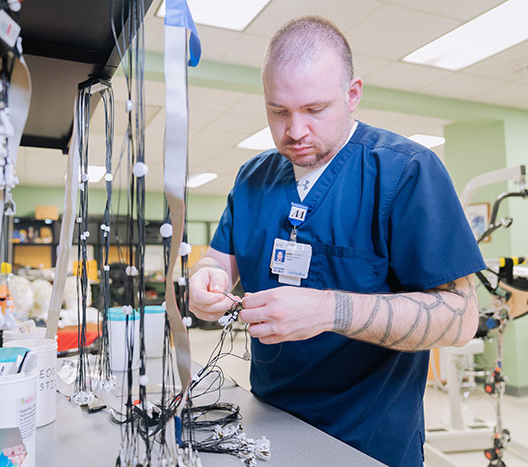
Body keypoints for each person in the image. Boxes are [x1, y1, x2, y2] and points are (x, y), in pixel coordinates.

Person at [188, 15, 485, 467]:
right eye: (278, 111)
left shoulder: (405, 172)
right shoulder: (253, 179)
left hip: (368, 443)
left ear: (352, 95)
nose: (295, 131)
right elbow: (217, 260)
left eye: (314, 109)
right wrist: (205, 279)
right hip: (266, 426)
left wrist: (329, 310)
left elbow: (460, 318)